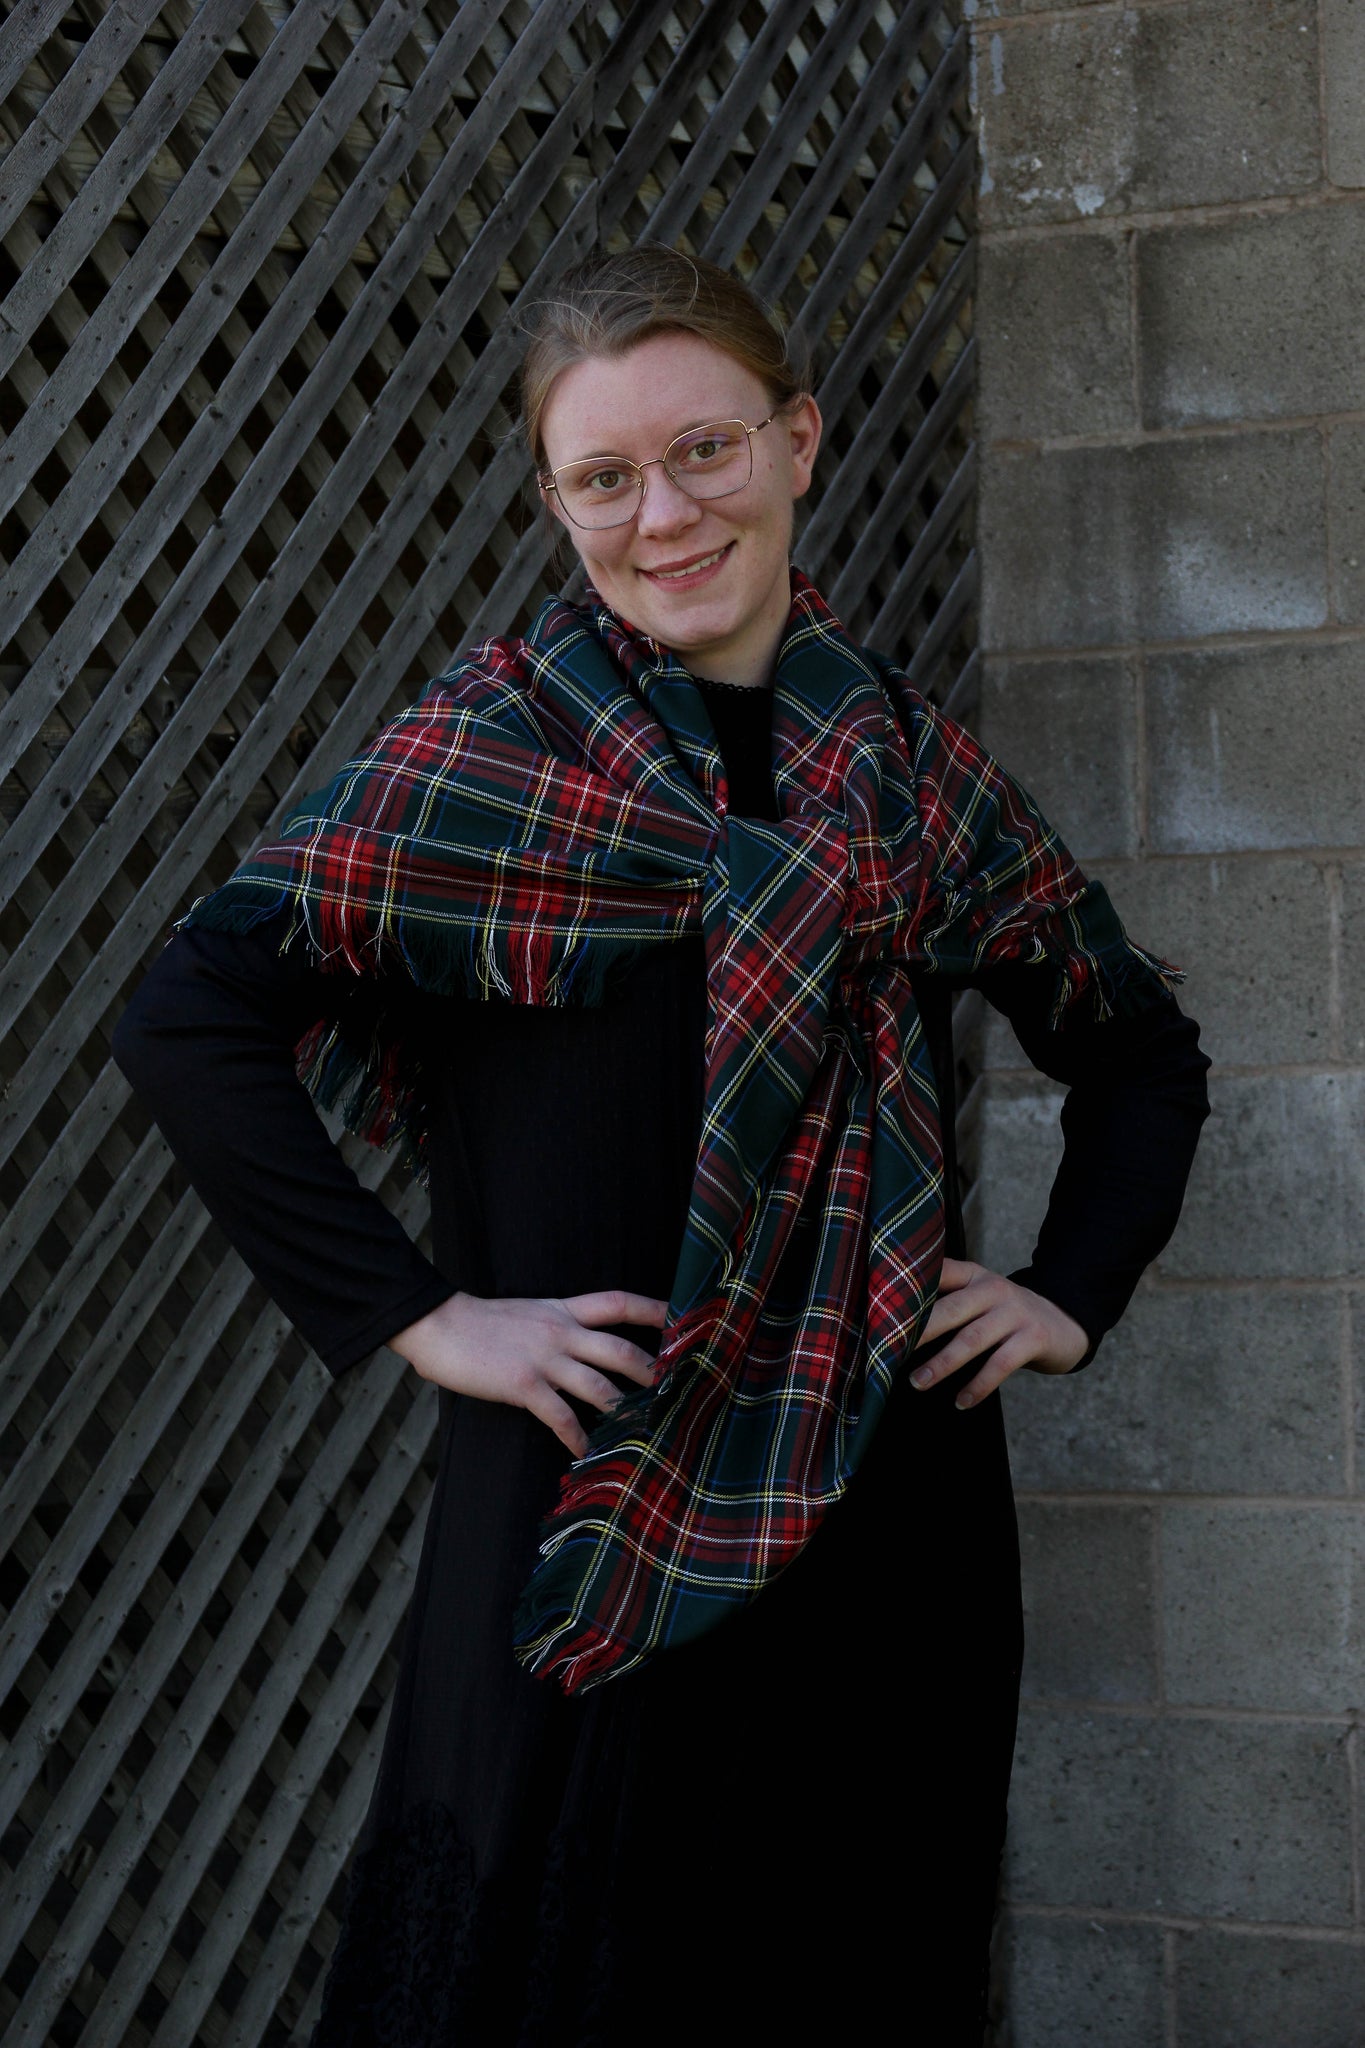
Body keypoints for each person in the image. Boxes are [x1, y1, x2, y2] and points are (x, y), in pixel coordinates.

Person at [113, 244, 1210, 2047]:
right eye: (603, 477)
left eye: (702, 452)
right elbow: (186, 1016)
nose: (662, 515)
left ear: (796, 442)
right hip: (583, 1483)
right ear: (554, 503)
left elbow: (1135, 1046)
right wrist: (424, 1315)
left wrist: (1067, 1292)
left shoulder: (913, 778)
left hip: (883, 1507)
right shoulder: (479, 761)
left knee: (849, 1970)